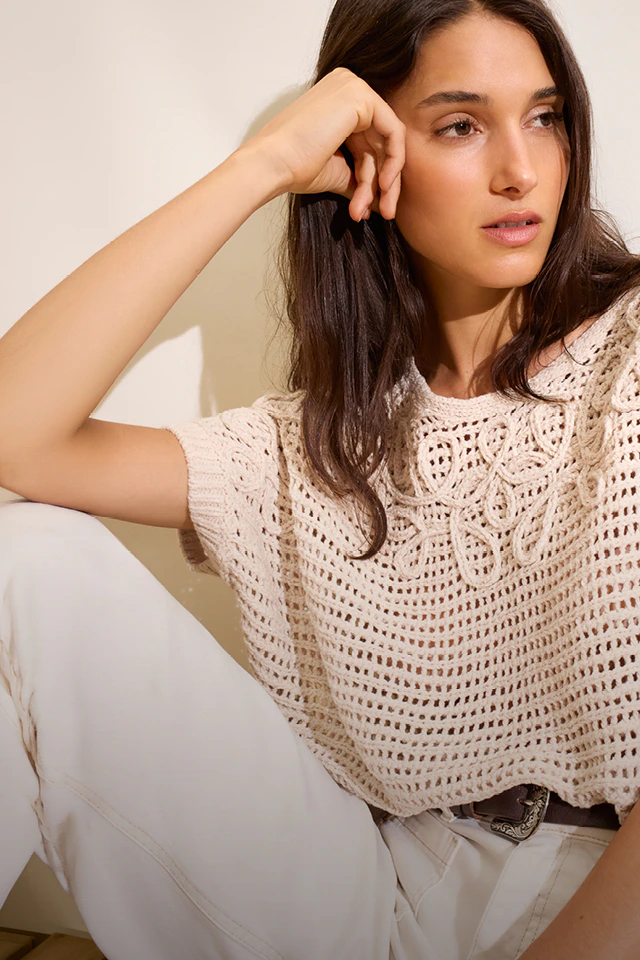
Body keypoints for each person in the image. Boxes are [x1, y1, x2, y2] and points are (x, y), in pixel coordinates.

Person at [1, 0, 640, 957]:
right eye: (460, 126)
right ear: (373, 154)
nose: (521, 168)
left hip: (599, 891)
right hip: (366, 893)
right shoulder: (316, 447)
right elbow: (17, 436)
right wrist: (258, 168)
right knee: (24, 556)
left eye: (545, 117)